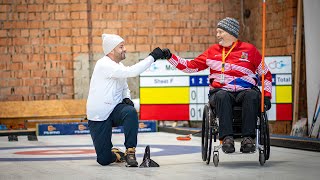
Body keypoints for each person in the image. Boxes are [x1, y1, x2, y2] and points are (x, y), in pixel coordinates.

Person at [162, 17, 272, 153]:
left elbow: (266, 74)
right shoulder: (212, 51)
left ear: (230, 33)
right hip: (221, 91)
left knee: (252, 95)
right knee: (222, 95)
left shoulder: (250, 50)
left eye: (220, 32)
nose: (217, 35)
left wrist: (267, 96)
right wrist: (170, 57)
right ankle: (227, 139)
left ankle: (248, 139)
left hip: (246, 90)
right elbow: (190, 67)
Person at [86, 34, 164, 166]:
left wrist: (126, 97)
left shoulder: (119, 66)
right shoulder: (104, 64)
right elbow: (132, 72)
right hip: (99, 115)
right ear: (111, 50)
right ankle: (115, 153)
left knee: (130, 111)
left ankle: (130, 151)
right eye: (121, 47)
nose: (125, 49)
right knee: (103, 160)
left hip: (114, 110)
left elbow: (124, 86)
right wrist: (152, 57)